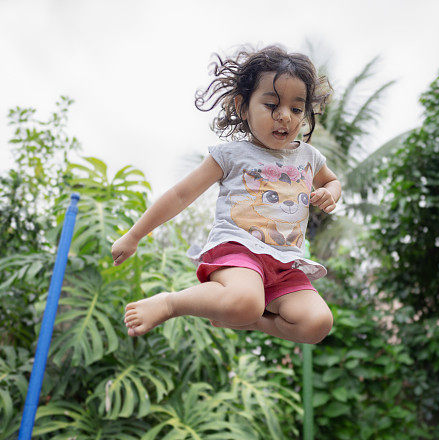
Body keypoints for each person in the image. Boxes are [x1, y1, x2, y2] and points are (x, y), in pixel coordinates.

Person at [111, 44, 341, 344]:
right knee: (245, 300)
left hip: (285, 264)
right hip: (240, 253)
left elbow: (332, 181)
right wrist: (134, 235)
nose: (285, 116)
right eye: (272, 105)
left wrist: (329, 192)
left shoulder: (309, 157)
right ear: (243, 106)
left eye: (296, 109)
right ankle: (170, 303)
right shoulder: (231, 155)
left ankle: (251, 321)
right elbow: (181, 195)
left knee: (317, 323)